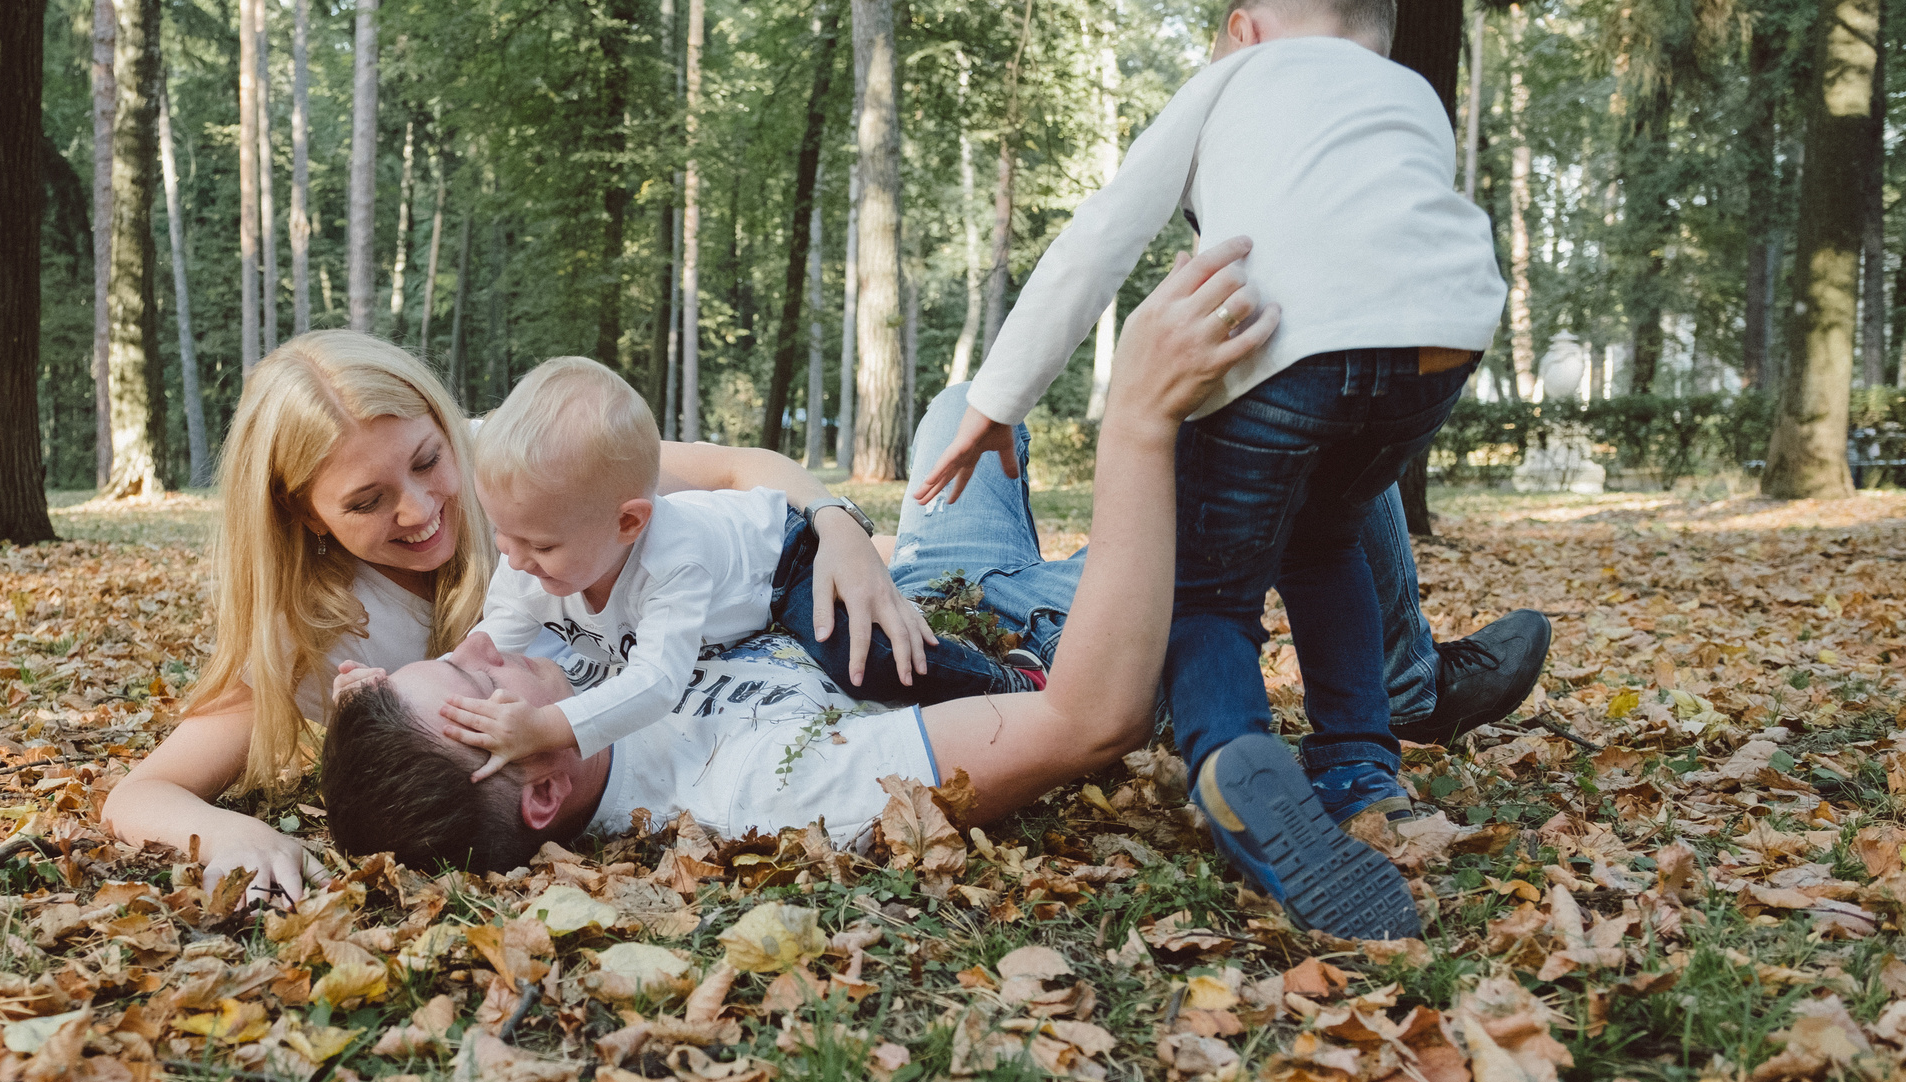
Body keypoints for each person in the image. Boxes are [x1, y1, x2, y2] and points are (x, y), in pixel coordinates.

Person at [327, 240, 1287, 871]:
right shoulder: (750, 789)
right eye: (469, 679)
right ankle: (1398, 676)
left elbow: (716, 483)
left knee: (960, 409)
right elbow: (1086, 719)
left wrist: (838, 528)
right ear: (542, 788)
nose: (486, 644)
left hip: (899, 573)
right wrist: (1137, 420)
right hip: (1027, 629)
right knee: (1273, 424)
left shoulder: (551, 650)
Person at [913, 0, 1513, 938]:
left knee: (1203, 590)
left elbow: (1105, 232)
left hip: (1291, 348)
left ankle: (1232, 755)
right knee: (1326, 539)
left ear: (1244, 28)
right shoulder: (1404, 91)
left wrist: (998, 392)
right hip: (1440, 351)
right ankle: (1364, 770)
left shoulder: (1237, 72)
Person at [99, 329, 937, 904]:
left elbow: (736, 472)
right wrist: (227, 835)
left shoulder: (515, 475)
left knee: (948, 547)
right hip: (749, 691)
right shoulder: (318, 633)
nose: (423, 508)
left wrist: (841, 528)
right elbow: (141, 791)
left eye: (428, 460)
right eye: (367, 500)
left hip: (802, 588)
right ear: (308, 518)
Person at [441, 358, 1036, 781]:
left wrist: (548, 729)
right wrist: (416, 681)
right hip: (730, 585)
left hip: (779, 560)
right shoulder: (529, 552)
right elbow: (491, 638)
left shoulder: (674, 558)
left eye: (540, 547)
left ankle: (1010, 682)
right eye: (503, 534)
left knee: (861, 658)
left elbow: (656, 682)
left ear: (628, 524)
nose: (515, 559)